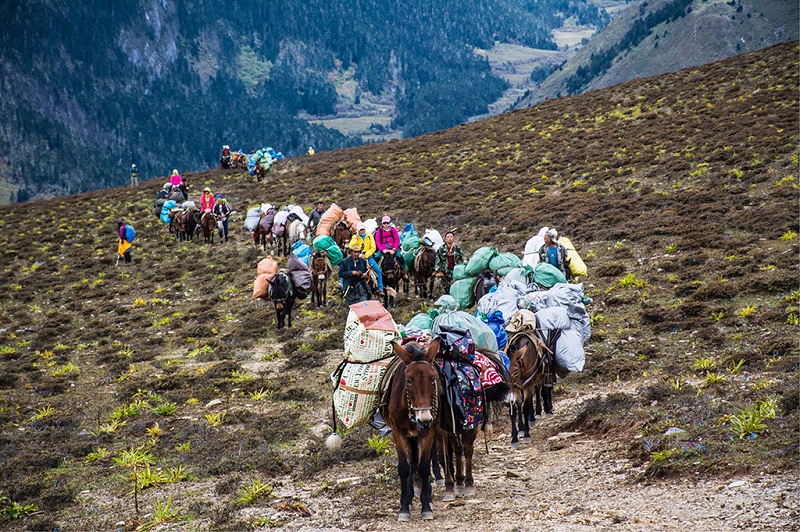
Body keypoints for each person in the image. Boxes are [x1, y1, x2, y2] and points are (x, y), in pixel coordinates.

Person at [349, 223, 383, 295]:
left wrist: (366, 255)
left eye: (363, 229)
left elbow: (373, 247)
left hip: (368, 257)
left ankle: (380, 288)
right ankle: (342, 284)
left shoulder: (369, 236)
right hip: (356, 257)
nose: (362, 231)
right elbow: (351, 246)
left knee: (378, 271)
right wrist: (356, 238)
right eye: (360, 230)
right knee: (347, 267)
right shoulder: (355, 237)